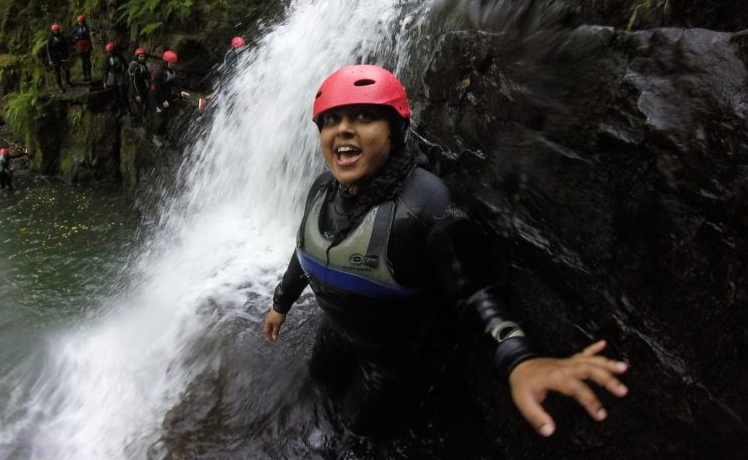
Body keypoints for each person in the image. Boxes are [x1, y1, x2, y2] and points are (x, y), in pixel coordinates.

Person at [263, 65, 629, 438]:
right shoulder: (323, 188)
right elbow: (307, 248)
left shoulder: (425, 205)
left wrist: (518, 360)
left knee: (360, 430)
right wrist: (281, 303)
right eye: (331, 120)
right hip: (335, 331)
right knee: (318, 384)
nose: (342, 129)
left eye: (364, 116)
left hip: (388, 359)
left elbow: (473, 294)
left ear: (395, 131)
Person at [148, 50, 179, 146]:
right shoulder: (158, 72)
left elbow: (174, 82)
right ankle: (155, 137)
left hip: (164, 96)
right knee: (161, 117)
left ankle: (164, 135)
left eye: (174, 63)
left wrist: (181, 91)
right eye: (172, 63)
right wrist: (163, 101)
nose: (174, 65)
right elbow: (157, 89)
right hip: (155, 98)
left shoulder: (170, 71)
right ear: (166, 62)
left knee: (166, 117)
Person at [102, 42, 129, 118]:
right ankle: (119, 110)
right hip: (111, 76)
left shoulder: (120, 56)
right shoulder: (107, 58)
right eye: (108, 52)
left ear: (114, 50)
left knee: (122, 93)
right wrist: (104, 81)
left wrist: (124, 72)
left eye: (110, 51)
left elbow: (126, 64)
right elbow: (106, 70)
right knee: (115, 95)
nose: (109, 53)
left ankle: (126, 109)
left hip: (119, 75)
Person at [46, 23, 72, 92]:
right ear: (52, 31)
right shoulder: (50, 39)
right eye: (55, 30)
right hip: (55, 58)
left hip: (63, 56)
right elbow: (48, 50)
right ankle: (60, 86)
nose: (56, 32)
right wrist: (50, 60)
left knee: (67, 70)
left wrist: (67, 55)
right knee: (57, 73)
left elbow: (65, 47)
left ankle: (68, 82)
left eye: (57, 30)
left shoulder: (61, 37)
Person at [128, 47, 150, 121]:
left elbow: (146, 75)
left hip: (142, 86)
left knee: (144, 102)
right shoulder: (134, 66)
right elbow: (134, 81)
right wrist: (137, 94)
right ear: (137, 56)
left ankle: (145, 116)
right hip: (135, 89)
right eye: (141, 56)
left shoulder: (143, 64)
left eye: (143, 56)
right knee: (138, 105)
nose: (142, 58)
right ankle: (140, 119)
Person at [70, 14, 93, 83]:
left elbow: (91, 32)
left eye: (82, 21)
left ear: (84, 21)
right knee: (83, 61)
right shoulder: (77, 28)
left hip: (87, 43)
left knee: (87, 60)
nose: (81, 22)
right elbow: (71, 34)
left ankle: (89, 74)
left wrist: (90, 33)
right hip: (80, 44)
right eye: (80, 21)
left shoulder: (87, 27)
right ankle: (84, 75)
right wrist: (75, 37)